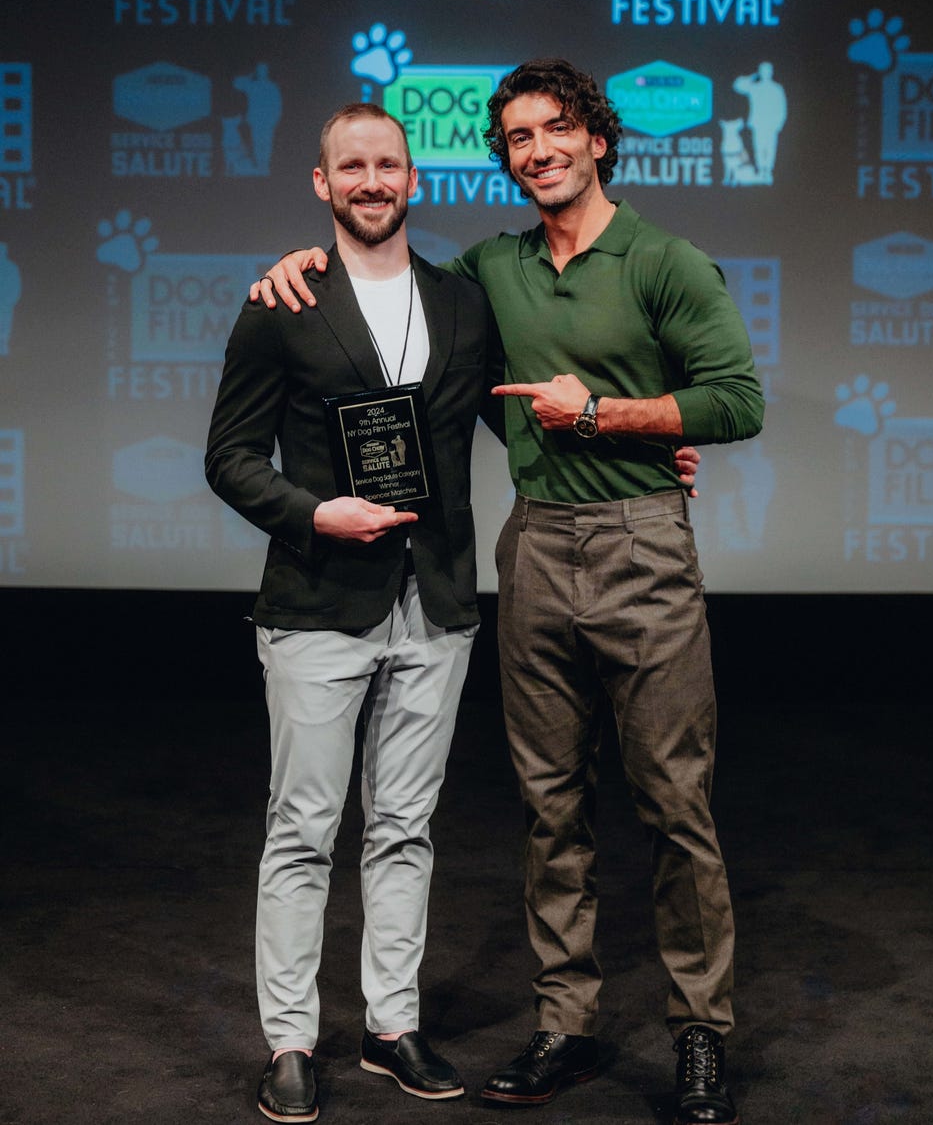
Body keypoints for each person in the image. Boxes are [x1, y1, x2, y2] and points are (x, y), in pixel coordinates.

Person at [250, 58, 763, 1125]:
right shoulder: (491, 271)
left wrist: (614, 419)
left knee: (673, 802)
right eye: (518, 139)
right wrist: (298, 266)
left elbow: (736, 400)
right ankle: (564, 1024)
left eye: (555, 131)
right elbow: (395, 298)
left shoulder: (665, 260)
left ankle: (699, 1032)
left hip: (642, 549)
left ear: (598, 140)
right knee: (549, 804)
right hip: (532, 548)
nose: (537, 152)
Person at [206, 102, 504, 1121]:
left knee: (406, 828)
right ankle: (289, 1040)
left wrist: (652, 444)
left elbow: (517, 423)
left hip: (438, 602)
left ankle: (390, 1023)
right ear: (321, 184)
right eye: (352, 167)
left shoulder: (464, 304)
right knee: (302, 830)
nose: (372, 180)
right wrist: (312, 511)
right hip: (317, 603)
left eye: (389, 164)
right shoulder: (281, 302)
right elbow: (229, 458)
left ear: (413, 180)